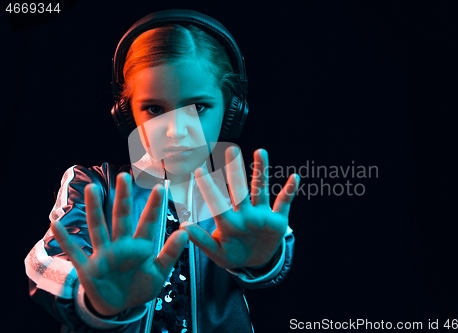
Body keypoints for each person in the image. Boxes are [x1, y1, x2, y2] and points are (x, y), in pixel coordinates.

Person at [25, 9, 299, 333]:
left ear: (231, 111)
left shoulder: (237, 197)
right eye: (155, 109)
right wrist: (92, 295)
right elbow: (45, 262)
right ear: (127, 116)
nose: (176, 130)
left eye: (197, 107)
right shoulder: (93, 186)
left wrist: (265, 258)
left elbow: (270, 253)